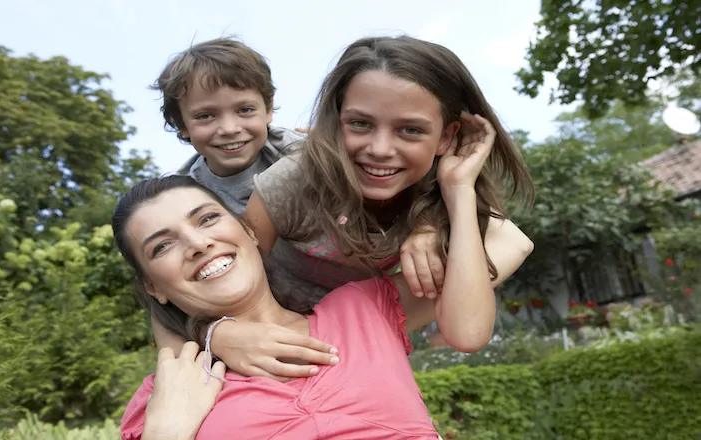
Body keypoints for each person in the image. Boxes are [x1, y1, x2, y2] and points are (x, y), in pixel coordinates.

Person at [151, 35, 535, 379]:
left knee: (507, 243)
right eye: (360, 124)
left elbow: (503, 263)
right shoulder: (270, 183)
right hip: (274, 321)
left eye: (411, 129)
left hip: (353, 324)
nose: (381, 149)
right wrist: (218, 334)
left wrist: (444, 208)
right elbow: (169, 290)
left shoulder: (426, 186)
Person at [113, 160, 498, 438]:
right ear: (153, 288)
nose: (198, 244)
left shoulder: (361, 309)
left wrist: (440, 211)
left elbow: (508, 241)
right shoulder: (167, 393)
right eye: (163, 246)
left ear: (249, 230)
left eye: (208, 219)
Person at [152, 37, 305, 217]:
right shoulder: (184, 195)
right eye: (205, 116)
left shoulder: (300, 150)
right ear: (181, 124)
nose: (229, 129)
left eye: (245, 110)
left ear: (268, 108)